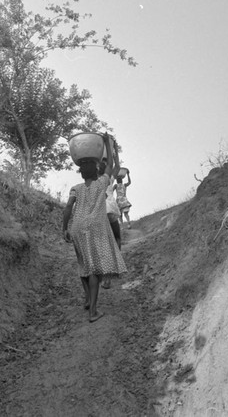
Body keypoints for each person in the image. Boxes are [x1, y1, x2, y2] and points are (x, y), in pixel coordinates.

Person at [63, 133, 127, 323]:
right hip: (95, 228)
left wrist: (64, 228)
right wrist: (109, 145)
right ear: (96, 171)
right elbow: (113, 167)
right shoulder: (102, 184)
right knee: (94, 270)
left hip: (76, 227)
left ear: (82, 173)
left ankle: (87, 298)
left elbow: (68, 208)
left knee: (83, 264)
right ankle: (93, 311)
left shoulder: (76, 188)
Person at [99, 139, 122, 289]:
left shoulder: (94, 179)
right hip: (110, 211)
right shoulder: (109, 178)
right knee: (117, 238)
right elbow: (116, 165)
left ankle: (104, 277)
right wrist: (113, 147)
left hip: (99, 212)